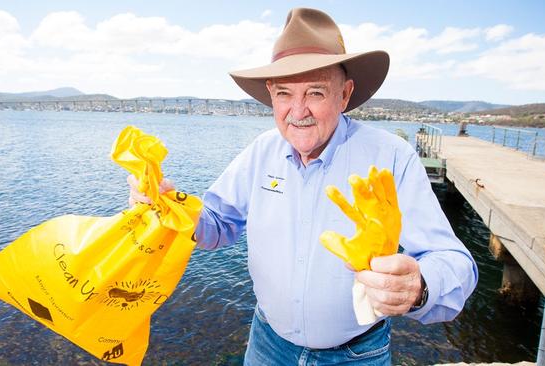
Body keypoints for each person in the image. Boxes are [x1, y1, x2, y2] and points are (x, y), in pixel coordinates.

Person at [129, 7, 478, 365]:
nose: (298, 111)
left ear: (344, 95)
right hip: (267, 344)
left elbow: (454, 263)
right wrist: (167, 204)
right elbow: (217, 225)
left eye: (315, 92)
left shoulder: (391, 157)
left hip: (357, 355)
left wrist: (418, 288)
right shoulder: (261, 152)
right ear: (270, 94)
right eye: (284, 94)